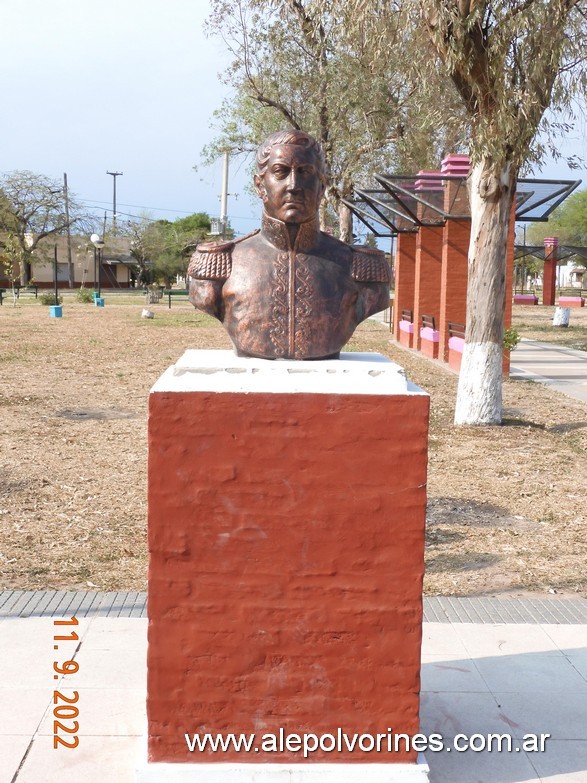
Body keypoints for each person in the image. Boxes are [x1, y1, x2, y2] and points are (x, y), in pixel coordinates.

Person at [188, 130, 390, 360]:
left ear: (322, 187)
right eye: (280, 172)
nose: (294, 185)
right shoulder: (219, 262)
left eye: (305, 172)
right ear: (259, 185)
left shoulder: (361, 265)